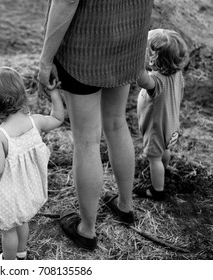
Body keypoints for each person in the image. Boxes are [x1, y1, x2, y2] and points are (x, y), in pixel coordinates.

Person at [38, 0, 153, 251]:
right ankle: (125, 206)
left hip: (83, 49)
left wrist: (46, 61)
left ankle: (86, 230)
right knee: (116, 123)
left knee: (87, 140)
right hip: (128, 40)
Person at [0, 67, 64, 260]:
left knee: (8, 230)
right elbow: (58, 117)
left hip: (9, 194)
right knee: (22, 220)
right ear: (21, 96)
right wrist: (54, 93)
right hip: (29, 191)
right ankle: (22, 253)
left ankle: (7, 262)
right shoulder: (35, 122)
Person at [134, 29, 188, 201]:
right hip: (171, 126)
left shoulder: (156, 81)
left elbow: (140, 78)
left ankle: (157, 190)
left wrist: (133, 59)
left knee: (154, 157)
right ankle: (163, 170)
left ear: (153, 57)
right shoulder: (177, 74)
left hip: (156, 128)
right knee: (164, 150)